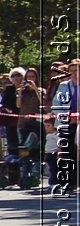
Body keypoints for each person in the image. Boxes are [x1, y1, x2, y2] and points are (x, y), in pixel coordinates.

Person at [50, 61, 79, 194]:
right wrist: (66, 116)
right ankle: (70, 182)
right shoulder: (63, 86)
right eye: (72, 71)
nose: (74, 73)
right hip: (66, 123)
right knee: (67, 152)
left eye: (77, 70)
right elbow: (56, 104)